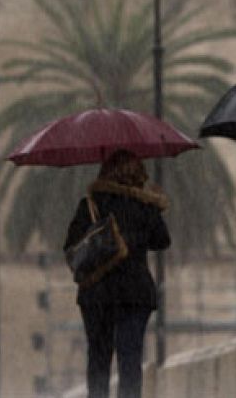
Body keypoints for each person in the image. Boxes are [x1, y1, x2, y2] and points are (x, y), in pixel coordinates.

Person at [62, 149, 170, 398]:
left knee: (99, 360)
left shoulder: (89, 205)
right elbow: (162, 241)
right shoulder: (144, 205)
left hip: (97, 294)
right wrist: (154, 206)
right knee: (130, 361)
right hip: (134, 295)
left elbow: (70, 247)